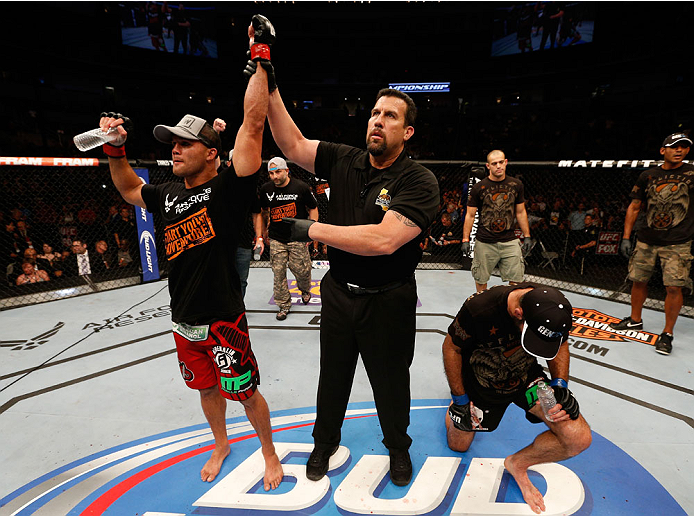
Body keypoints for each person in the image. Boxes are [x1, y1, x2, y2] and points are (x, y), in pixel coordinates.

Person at [97, 15, 283, 489]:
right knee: (204, 389)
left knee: (246, 392)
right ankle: (220, 444)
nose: (176, 150)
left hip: (224, 318)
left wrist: (260, 59)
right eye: (173, 144)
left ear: (211, 153)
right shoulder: (166, 194)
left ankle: (269, 453)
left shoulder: (229, 188)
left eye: (186, 143)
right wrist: (115, 150)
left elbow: (254, 124)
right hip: (183, 319)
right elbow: (127, 189)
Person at [263, 75, 440, 486]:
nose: (378, 121)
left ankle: (398, 447)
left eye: (390, 116)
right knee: (333, 375)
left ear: (407, 131)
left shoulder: (418, 180)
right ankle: (323, 443)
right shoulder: (344, 158)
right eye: (375, 113)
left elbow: (384, 240)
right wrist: (270, 84)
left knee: (392, 381)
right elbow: (291, 145)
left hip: (389, 298)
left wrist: (311, 230)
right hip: (340, 293)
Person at [443, 283, 591, 514]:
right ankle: (456, 408)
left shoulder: (553, 311)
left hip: (528, 381)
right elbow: (451, 349)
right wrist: (460, 398)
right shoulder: (480, 308)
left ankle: (517, 464)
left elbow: (560, 343)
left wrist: (560, 384)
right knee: (458, 444)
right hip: (481, 383)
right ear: (518, 314)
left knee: (577, 438)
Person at [610, 133, 694, 355]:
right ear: (662, 150)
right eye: (675, 146)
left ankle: (667, 333)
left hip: (678, 241)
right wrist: (626, 237)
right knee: (638, 280)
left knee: (674, 286)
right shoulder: (648, 175)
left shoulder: (692, 174)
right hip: (647, 238)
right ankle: (635, 320)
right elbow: (634, 206)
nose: (680, 150)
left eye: (684, 147)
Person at [461, 150, 531, 292]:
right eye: (494, 163)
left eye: (500, 162)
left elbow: (520, 212)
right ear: (488, 166)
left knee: (516, 280)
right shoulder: (478, 188)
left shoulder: (516, 185)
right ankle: (482, 307)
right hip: (485, 241)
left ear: (505, 162)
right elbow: (470, 215)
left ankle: (511, 310)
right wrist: (465, 239)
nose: (498, 166)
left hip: (510, 240)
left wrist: (527, 235)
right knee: (480, 280)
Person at [259, 156, 318, 320]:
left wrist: (311, 230)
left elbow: (313, 208)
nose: (274, 176)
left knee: (302, 270)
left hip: (297, 237)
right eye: (271, 173)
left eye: (278, 172)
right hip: (277, 238)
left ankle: (305, 289)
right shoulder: (266, 189)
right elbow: (263, 211)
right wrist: (264, 231)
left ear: (286, 171)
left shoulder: (301, 187)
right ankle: (283, 305)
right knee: (278, 273)